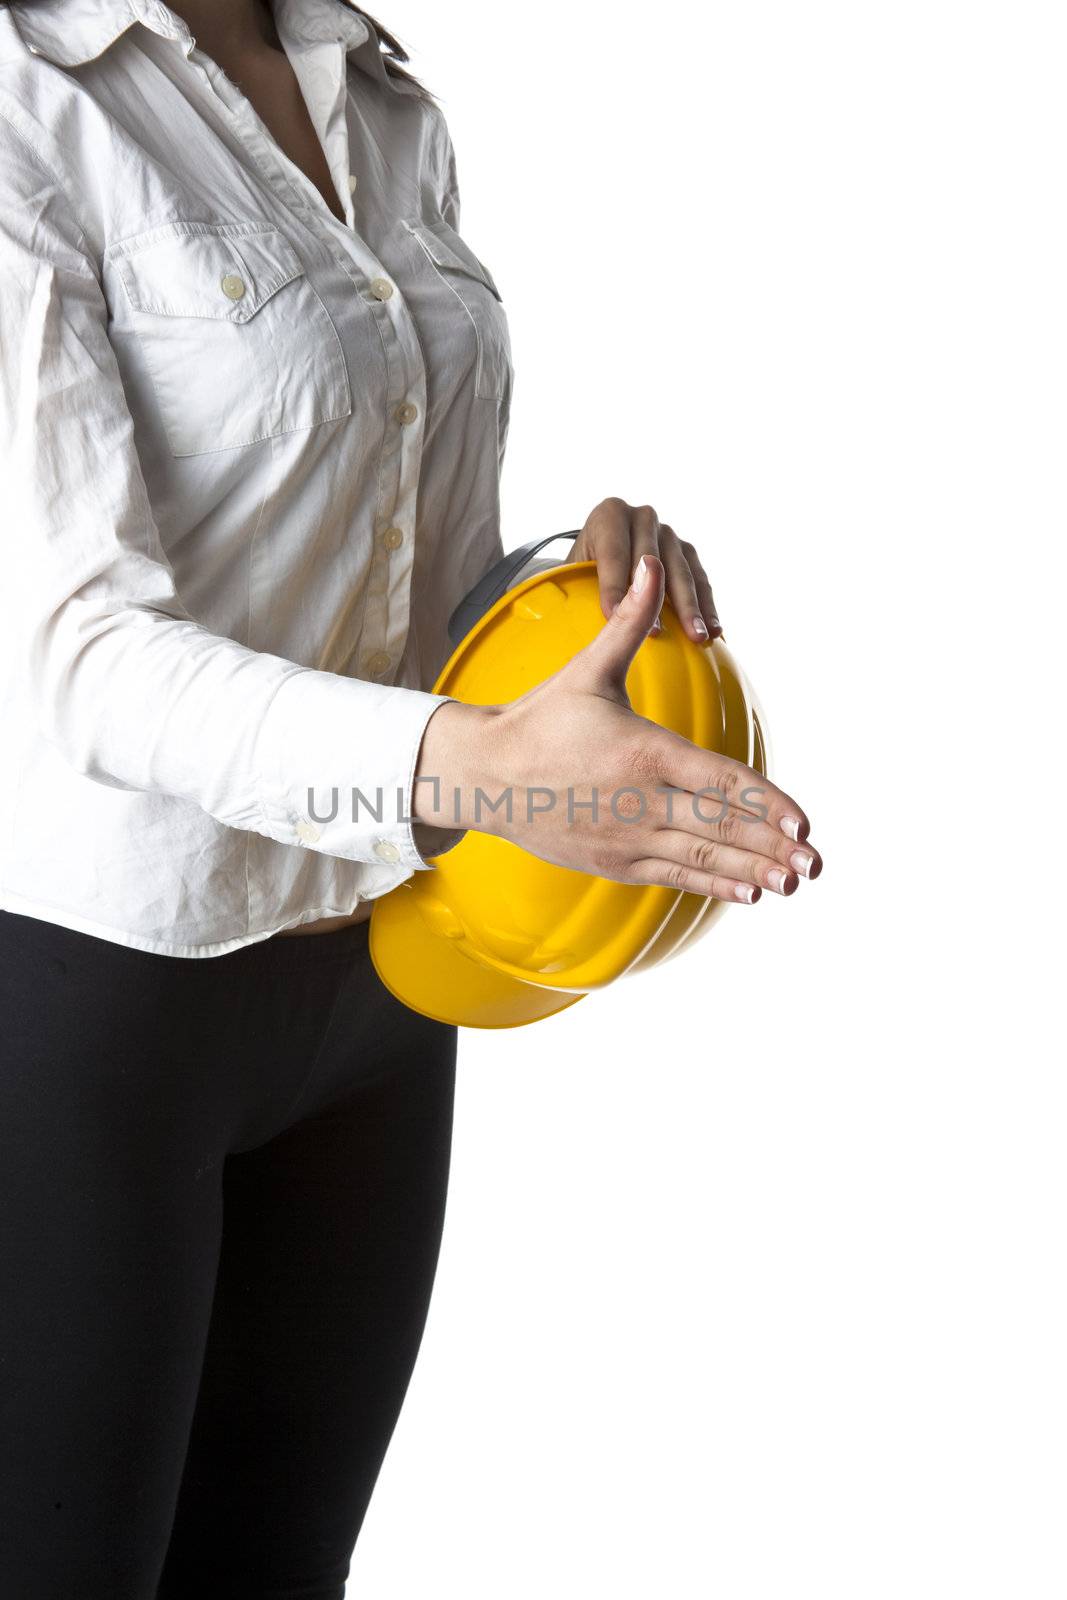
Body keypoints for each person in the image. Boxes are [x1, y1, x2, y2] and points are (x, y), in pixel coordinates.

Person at [0, 0, 822, 1593]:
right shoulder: (35, 99)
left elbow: (386, 583)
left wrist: (567, 598)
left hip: (378, 977)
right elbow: (73, 652)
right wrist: (483, 777)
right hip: (99, 1006)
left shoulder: (377, 92)